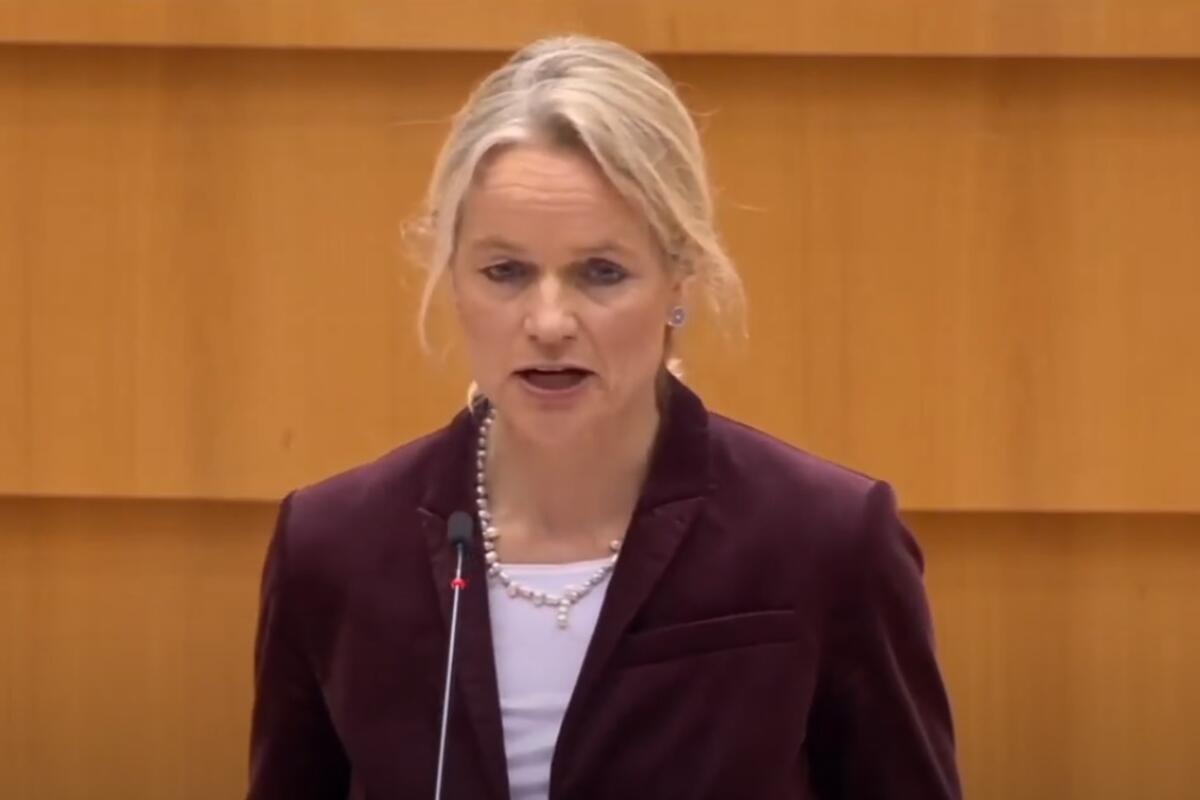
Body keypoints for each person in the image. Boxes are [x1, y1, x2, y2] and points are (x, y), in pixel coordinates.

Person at [247, 35, 961, 800]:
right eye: (505, 272)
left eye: (602, 272)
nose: (550, 322)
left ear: (679, 276)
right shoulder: (335, 548)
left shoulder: (826, 539)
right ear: (452, 276)